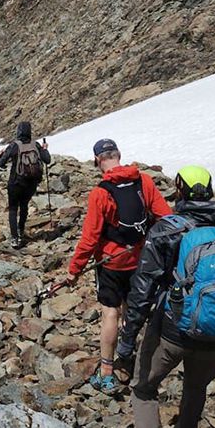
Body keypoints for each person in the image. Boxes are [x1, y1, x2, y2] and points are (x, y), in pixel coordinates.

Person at [115, 166, 215, 428]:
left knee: (143, 389)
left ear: (179, 190)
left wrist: (127, 340)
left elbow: (142, 289)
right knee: (195, 389)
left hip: (172, 330)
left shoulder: (167, 229)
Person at [63, 138, 172, 394]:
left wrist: (74, 270)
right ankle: (135, 358)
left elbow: (90, 239)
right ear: (118, 154)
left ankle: (107, 373)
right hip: (141, 258)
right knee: (133, 309)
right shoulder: (143, 180)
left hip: (110, 263)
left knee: (110, 313)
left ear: (97, 160)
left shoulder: (100, 193)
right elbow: (165, 217)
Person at [0, 121, 51, 249]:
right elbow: (47, 160)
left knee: (13, 209)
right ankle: (20, 230)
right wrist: (45, 149)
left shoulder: (14, 146)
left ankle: (14, 238)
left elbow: (1, 163)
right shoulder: (35, 145)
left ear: (18, 132)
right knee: (24, 206)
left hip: (16, 182)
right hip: (31, 183)